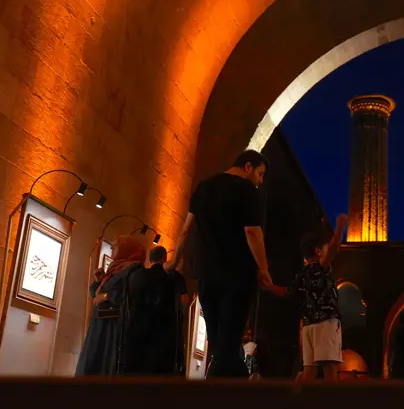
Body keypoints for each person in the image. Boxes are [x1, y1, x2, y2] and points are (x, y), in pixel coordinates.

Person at [166, 150, 272, 378]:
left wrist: (174, 261)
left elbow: (185, 229)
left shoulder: (203, 187)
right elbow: (252, 232)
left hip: (206, 275)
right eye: (260, 174)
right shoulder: (246, 190)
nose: (260, 181)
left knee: (218, 340)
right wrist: (263, 268)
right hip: (237, 275)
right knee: (229, 341)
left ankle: (230, 384)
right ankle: (222, 389)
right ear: (248, 166)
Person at [270, 214, 347, 382]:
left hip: (308, 325)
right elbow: (333, 248)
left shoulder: (301, 275)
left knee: (309, 372)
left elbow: (286, 292)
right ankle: (332, 399)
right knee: (329, 369)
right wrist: (340, 228)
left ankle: (298, 397)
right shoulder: (320, 268)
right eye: (323, 248)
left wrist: (268, 285)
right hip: (326, 323)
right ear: (318, 251)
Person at [76, 235, 146, 375]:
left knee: (105, 362)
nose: (112, 248)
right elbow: (97, 295)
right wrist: (99, 281)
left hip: (113, 327)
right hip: (101, 324)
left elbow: (132, 295)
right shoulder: (115, 269)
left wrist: (106, 296)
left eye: (116, 245)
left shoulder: (134, 270)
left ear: (126, 248)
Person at [121, 246, 180, 375]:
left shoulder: (136, 276)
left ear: (149, 259)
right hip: (160, 337)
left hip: (135, 335)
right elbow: (183, 302)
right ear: (164, 258)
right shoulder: (172, 277)